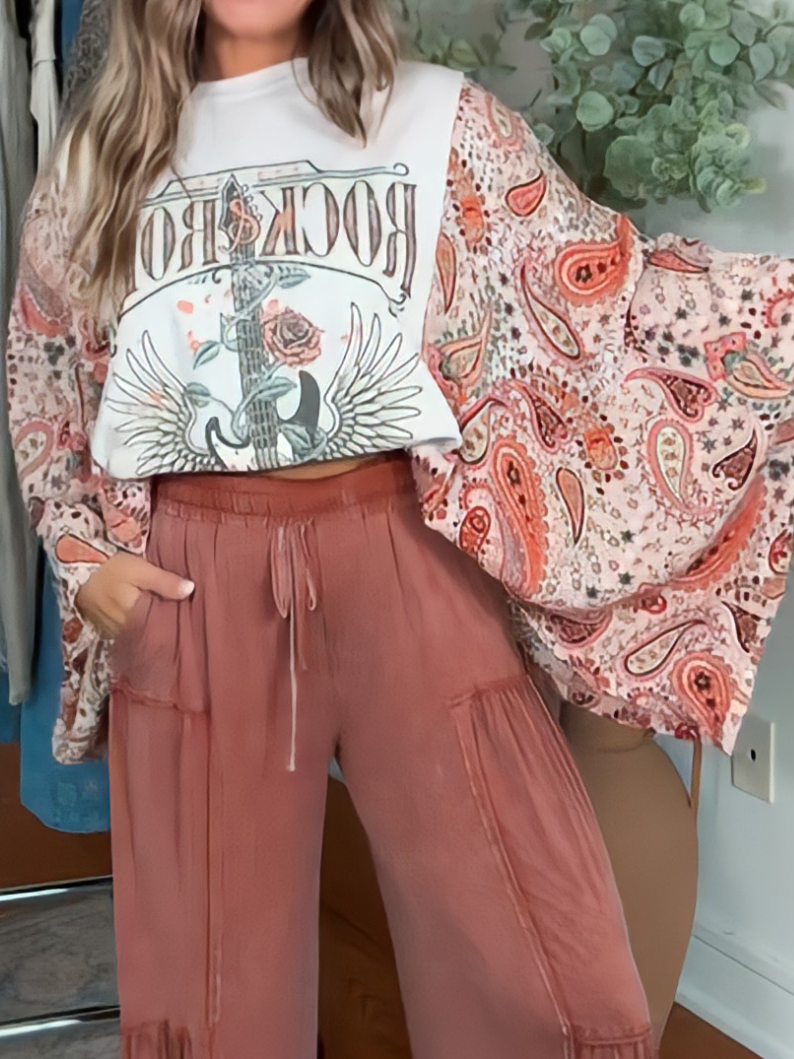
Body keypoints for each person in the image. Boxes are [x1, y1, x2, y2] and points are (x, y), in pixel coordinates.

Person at [7, 0, 794, 1056]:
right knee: (209, 973)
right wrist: (82, 554)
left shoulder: (438, 118)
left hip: (402, 546)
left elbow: (604, 303)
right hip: (191, 573)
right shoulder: (97, 162)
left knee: (519, 931)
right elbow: (44, 372)